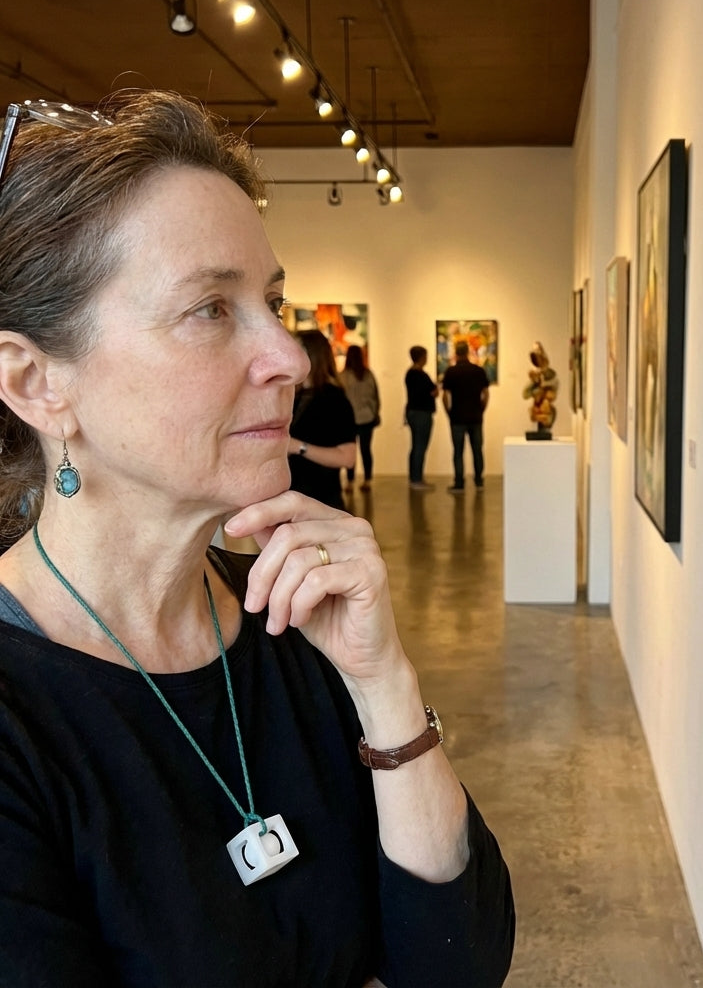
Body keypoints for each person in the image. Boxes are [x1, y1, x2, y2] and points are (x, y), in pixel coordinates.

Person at [0, 89, 514, 987]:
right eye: (210, 309)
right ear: (39, 382)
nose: (289, 355)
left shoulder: (292, 615)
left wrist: (385, 682)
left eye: (274, 301)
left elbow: (458, 964)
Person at [287, 329, 357, 508]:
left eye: (296, 349)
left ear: (312, 355)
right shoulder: (293, 395)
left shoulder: (334, 400)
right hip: (289, 500)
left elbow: (347, 458)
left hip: (321, 501)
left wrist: (298, 447)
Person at [442, 340, 490, 492]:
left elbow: (445, 396)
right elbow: (486, 394)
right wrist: (481, 409)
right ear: (468, 352)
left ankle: (459, 483)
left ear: (456, 353)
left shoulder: (451, 372)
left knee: (458, 451)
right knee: (477, 450)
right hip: (475, 416)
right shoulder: (478, 370)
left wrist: (448, 412)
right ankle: (479, 481)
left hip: (457, 416)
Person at [339, 343, 380, 492]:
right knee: (366, 450)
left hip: (348, 420)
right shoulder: (368, 374)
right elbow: (376, 396)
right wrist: (375, 413)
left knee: (351, 450)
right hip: (367, 417)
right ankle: (367, 480)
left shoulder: (343, 376)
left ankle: (350, 481)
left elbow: (339, 400)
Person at [404, 344, 438, 489]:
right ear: (421, 357)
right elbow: (433, 391)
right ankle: (417, 479)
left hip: (413, 412)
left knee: (416, 446)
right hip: (422, 414)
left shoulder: (409, 374)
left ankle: (414, 477)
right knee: (419, 446)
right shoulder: (420, 375)